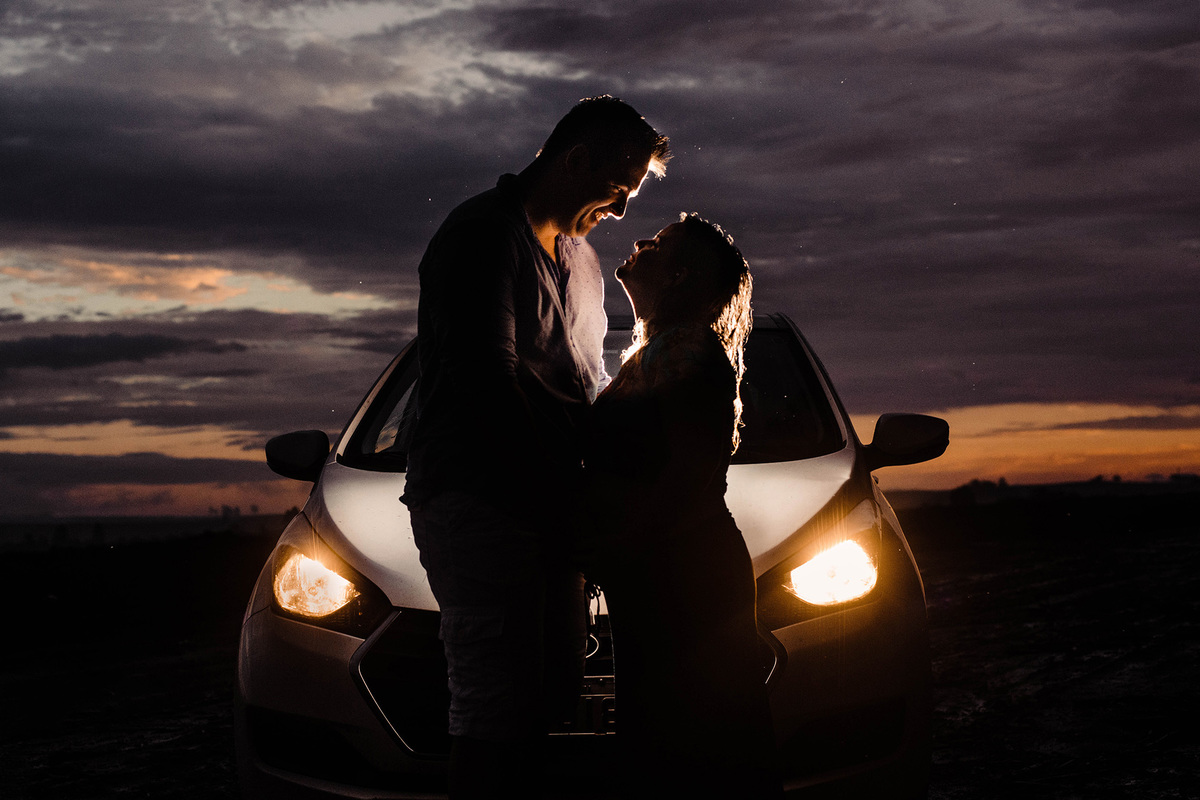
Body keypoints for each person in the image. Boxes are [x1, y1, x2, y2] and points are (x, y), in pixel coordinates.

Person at [400, 96, 670, 799]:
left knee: (552, 689)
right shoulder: (481, 236)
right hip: (482, 499)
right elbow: (488, 387)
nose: (620, 210)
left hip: (551, 507)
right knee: (495, 704)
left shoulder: (581, 259)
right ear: (575, 159)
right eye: (619, 188)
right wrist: (570, 495)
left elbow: (581, 384)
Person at [579, 214, 781, 798]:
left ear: (680, 274)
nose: (641, 242)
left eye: (659, 244)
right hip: (668, 572)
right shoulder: (666, 349)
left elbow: (688, 478)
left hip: (683, 577)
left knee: (692, 742)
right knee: (686, 740)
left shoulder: (688, 349)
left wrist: (613, 545)